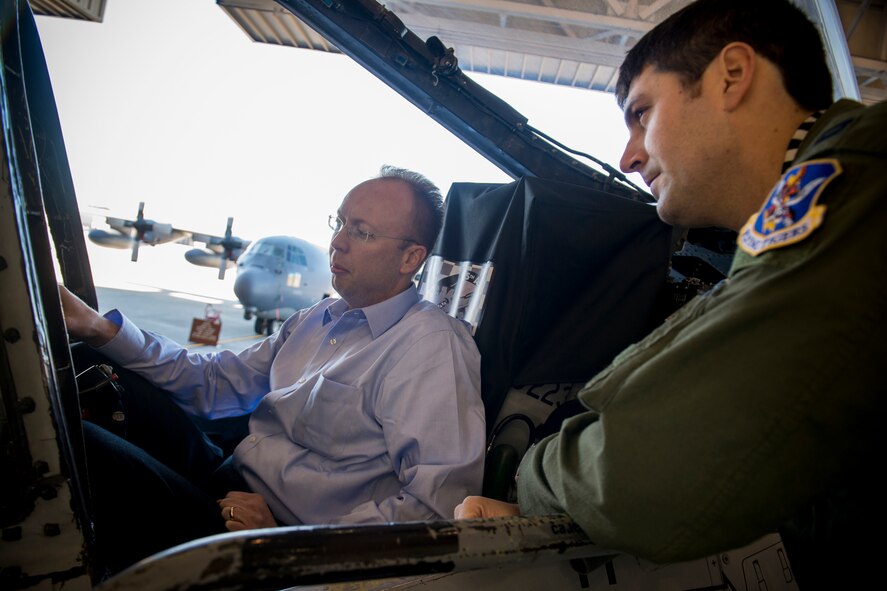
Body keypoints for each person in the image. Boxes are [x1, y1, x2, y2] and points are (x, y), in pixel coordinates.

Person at [454, 0, 887, 587]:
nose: (628, 156)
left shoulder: (850, 185)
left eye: (642, 112)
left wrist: (533, 481)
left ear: (732, 76)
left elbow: (645, 481)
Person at [63, 165, 485, 574]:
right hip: (230, 474)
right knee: (90, 361)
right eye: (340, 223)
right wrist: (99, 328)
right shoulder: (316, 319)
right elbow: (213, 381)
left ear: (410, 258)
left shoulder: (431, 346)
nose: (338, 242)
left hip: (269, 533)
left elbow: (437, 504)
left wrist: (295, 543)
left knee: (73, 439)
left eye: (362, 232)